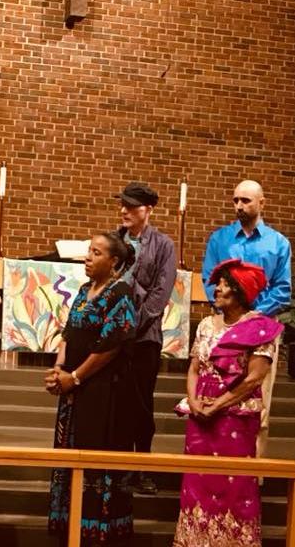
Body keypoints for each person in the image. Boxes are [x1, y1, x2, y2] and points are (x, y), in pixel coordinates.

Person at [172, 259, 284, 547]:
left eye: (224, 285)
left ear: (241, 292)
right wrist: (195, 402)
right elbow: (195, 367)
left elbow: (253, 379)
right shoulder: (207, 325)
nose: (217, 290)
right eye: (218, 284)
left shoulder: (260, 328)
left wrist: (218, 404)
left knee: (232, 483)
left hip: (235, 414)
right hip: (201, 414)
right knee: (197, 481)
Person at [45, 232, 137, 546]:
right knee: (70, 455)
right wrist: (59, 372)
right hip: (74, 391)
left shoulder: (121, 293)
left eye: (96, 253)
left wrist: (77, 377)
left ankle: (96, 530)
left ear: (114, 262)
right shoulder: (84, 291)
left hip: (104, 394)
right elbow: (69, 333)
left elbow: (111, 345)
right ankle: (69, 527)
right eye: (88, 251)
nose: (88, 257)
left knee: (97, 457)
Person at [201, 180, 291, 441]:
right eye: (235, 200)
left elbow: (282, 289)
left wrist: (251, 316)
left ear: (262, 203)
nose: (239, 206)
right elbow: (209, 279)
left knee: (259, 401)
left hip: (261, 325)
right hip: (224, 323)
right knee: (217, 392)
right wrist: (231, 313)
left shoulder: (278, 243)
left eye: (246, 200)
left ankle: (254, 476)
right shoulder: (220, 239)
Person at [115, 181, 176, 495]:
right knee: (117, 403)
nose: (124, 210)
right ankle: (120, 467)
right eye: (122, 205)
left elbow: (159, 294)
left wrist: (131, 327)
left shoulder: (163, 245)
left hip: (143, 337)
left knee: (141, 403)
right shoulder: (114, 240)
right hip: (113, 338)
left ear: (148, 209)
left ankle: (142, 466)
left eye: (131, 206)